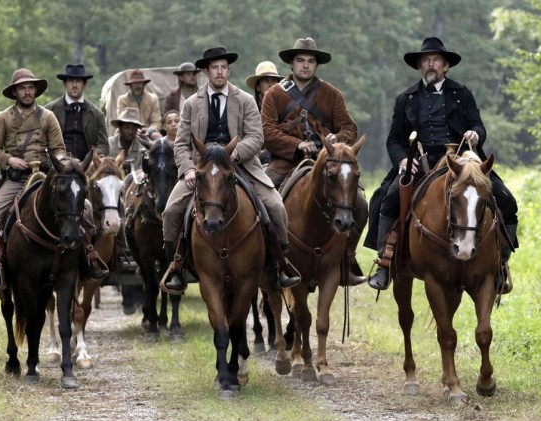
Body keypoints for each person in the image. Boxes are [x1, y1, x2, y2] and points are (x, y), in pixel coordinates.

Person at [366, 36, 519, 293]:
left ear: (446, 66)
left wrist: (475, 134)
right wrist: (402, 159)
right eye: (426, 60)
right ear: (419, 66)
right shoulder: (406, 98)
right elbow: (393, 139)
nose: (430, 64)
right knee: (386, 198)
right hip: (420, 160)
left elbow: (478, 125)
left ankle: (500, 263)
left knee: (506, 199)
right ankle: (385, 261)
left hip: (461, 159)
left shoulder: (462, 94)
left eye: (436, 60)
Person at [161, 46, 301, 293]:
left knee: (276, 207)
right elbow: (181, 144)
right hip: (202, 169)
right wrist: (188, 170)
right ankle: (176, 266)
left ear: (228, 70)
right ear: (207, 71)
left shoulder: (245, 100)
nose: (219, 72)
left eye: (224, 67)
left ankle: (281, 264)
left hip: (240, 165)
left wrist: (236, 153)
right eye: (215, 68)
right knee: (171, 211)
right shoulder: (191, 104)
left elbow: (256, 137)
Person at [261, 37, 368, 286]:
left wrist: (336, 139)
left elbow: (349, 128)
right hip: (285, 163)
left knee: (361, 204)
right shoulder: (274, 94)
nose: (305, 65)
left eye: (310, 61)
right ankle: (269, 261)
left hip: (329, 163)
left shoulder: (332, 94)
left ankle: (346, 258)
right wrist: (296, 145)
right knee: (259, 202)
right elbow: (266, 132)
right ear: (291, 64)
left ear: (316, 65)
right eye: (300, 60)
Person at [0, 68, 67, 290]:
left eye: (30, 88)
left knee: (83, 209)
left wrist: (57, 162)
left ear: (35, 90)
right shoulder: (2, 118)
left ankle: (83, 258)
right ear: (15, 92)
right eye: (22, 88)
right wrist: (10, 160)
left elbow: (59, 149)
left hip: (45, 177)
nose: (27, 92)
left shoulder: (48, 117)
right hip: (16, 179)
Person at [45, 63, 109, 160]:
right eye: (71, 81)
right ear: (65, 84)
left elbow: (103, 144)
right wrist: (56, 158)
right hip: (58, 163)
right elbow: (41, 140)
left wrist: (94, 158)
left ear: (85, 84)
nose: (74, 85)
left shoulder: (97, 114)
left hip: (88, 165)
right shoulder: (49, 110)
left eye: (78, 81)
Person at [116, 69, 162, 138]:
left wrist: (148, 131)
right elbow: (121, 121)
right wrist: (134, 130)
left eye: (140, 83)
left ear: (144, 84)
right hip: (128, 130)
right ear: (130, 85)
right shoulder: (122, 99)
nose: (137, 86)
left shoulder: (153, 98)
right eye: (135, 83)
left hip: (147, 131)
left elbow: (156, 122)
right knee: (117, 137)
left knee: (158, 137)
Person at [109, 107, 148, 177]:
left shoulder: (142, 149)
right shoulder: (110, 144)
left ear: (137, 129)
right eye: (126, 127)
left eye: (134, 128)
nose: (130, 131)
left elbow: (143, 173)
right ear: (120, 128)